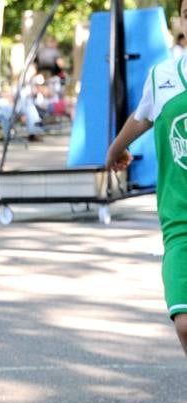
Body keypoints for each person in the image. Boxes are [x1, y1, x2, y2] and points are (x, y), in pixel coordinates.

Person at [105, 0, 187, 360]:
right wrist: (115, 148)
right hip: (180, 218)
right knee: (184, 322)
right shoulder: (164, 75)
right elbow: (142, 115)